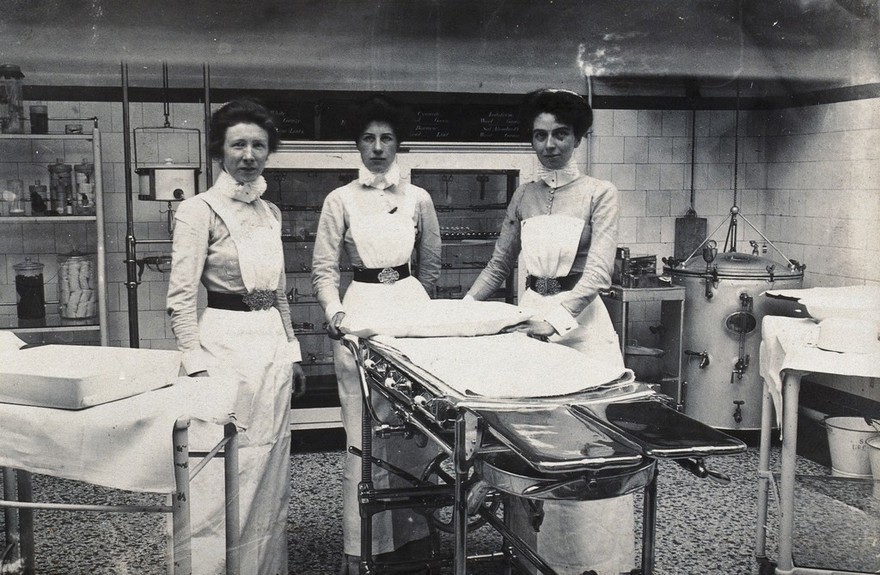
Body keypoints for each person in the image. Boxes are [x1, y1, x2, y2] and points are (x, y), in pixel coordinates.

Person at [465, 88, 631, 575]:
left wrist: (553, 319)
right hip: (529, 320)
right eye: (540, 136)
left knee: (584, 448)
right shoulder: (525, 194)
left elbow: (597, 276)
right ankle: (528, 557)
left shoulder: (601, 193)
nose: (550, 145)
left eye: (560, 134)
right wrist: (460, 314)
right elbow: (498, 265)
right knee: (529, 444)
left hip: (581, 330)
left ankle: (587, 563)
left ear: (578, 137)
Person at [166, 97, 307, 575]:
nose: (249, 155)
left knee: (269, 457)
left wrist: (292, 352)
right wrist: (195, 364)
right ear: (219, 150)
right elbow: (180, 297)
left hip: (269, 345)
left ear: (269, 152)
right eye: (238, 145)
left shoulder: (271, 212)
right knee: (220, 464)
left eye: (258, 146)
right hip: (222, 346)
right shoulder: (197, 210)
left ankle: (262, 567)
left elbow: (279, 291)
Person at [311, 94, 442, 574]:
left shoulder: (418, 198)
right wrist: (335, 311)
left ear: (399, 144)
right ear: (357, 145)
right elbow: (323, 268)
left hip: (410, 313)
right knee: (364, 430)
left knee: (417, 429)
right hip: (360, 314)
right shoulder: (340, 199)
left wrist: (415, 303)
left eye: (387, 138)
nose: (378, 148)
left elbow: (431, 264)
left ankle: (414, 538)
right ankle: (363, 544)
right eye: (369, 138)